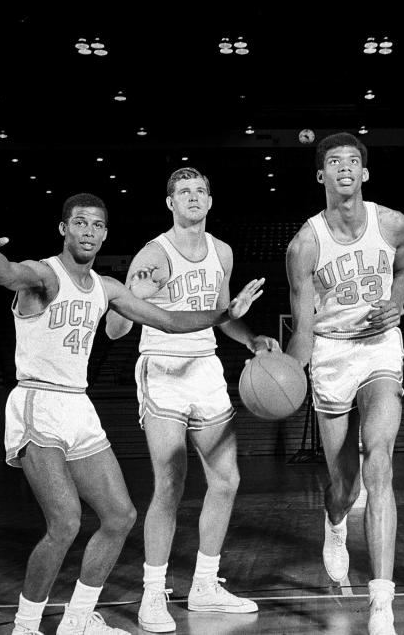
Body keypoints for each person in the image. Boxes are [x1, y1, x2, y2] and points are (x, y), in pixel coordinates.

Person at [0, 194, 266, 635]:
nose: (89, 232)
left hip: (79, 404)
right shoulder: (44, 273)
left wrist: (227, 313)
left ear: (105, 234)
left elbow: (168, 320)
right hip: (38, 401)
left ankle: (77, 619)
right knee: (65, 523)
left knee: (119, 516)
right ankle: (26, 625)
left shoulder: (106, 288)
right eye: (80, 223)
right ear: (64, 229)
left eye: (97, 225)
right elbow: (8, 273)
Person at [105, 167, 278, 632]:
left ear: (210, 200)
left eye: (201, 190)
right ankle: (152, 593)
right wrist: (129, 302)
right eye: (184, 191)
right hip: (162, 369)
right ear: (170, 203)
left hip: (205, 368)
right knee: (170, 484)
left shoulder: (221, 251)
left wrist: (252, 338)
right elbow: (117, 325)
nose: (194, 197)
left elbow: (221, 314)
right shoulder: (153, 255)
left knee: (226, 480)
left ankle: (204, 586)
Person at [285, 133, 404, 635]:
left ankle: (383, 601)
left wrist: (397, 300)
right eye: (333, 162)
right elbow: (303, 326)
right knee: (344, 484)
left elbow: (402, 274)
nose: (343, 168)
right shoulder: (305, 243)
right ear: (321, 176)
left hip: (381, 347)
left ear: (364, 173)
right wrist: (286, 377)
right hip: (331, 351)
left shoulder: (393, 223)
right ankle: (335, 524)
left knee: (379, 458)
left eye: (352, 161)